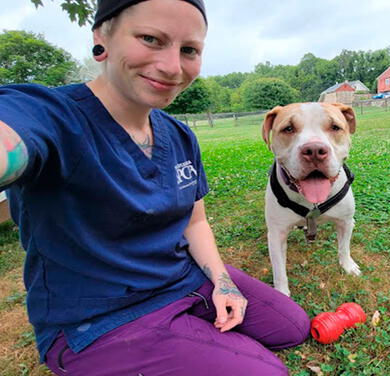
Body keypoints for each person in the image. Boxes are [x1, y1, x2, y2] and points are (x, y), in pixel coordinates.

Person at [0, 0, 310, 374]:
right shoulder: (50, 113)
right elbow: (11, 139)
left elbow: (194, 223)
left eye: (189, 50)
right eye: (150, 39)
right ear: (102, 37)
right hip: (101, 318)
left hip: (181, 279)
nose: (172, 67)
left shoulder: (179, 135)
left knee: (293, 327)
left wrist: (222, 282)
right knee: (267, 371)